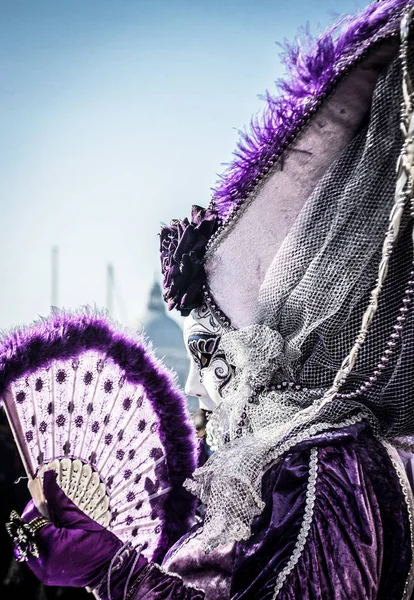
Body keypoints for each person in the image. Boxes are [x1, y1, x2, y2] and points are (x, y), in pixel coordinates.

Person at [5, 0, 414, 598]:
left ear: (272, 349)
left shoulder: (330, 469)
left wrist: (110, 570)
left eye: (209, 352)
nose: (194, 387)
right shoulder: (303, 465)